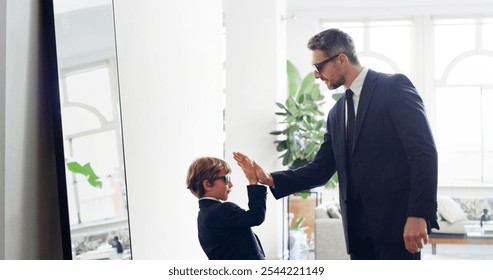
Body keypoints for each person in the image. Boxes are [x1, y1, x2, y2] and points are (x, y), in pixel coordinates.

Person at [234, 28, 439, 260]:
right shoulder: (336, 111)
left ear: (341, 59)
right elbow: (321, 169)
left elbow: (423, 152)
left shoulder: (394, 87)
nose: (317, 75)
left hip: (397, 227)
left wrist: (418, 214)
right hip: (358, 233)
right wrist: (270, 178)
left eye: (318, 67)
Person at [186, 156, 267, 260]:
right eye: (227, 179)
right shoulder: (224, 209)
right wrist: (253, 182)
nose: (231, 184)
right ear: (207, 185)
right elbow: (256, 216)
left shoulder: (202, 215)